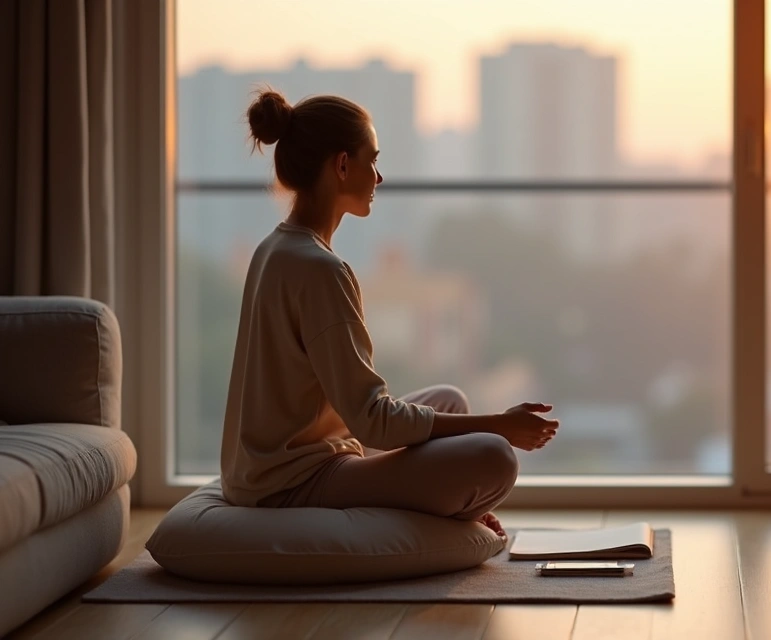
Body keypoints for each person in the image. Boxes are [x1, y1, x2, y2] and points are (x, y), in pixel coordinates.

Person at [218, 88, 558, 540]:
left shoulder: (274, 247)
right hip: (291, 483)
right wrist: (501, 423)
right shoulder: (321, 269)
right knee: (496, 456)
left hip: (283, 463)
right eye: (372, 160)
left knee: (449, 400)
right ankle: (445, 513)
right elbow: (372, 420)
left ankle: (444, 507)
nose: (378, 177)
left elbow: (356, 416)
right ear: (342, 166)